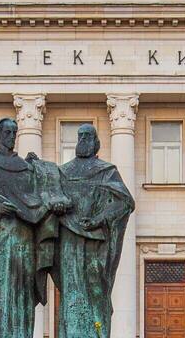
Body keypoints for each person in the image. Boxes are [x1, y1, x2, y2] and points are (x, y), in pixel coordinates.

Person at [0, 118, 69, 338]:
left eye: (14, 132)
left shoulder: (26, 168)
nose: (11, 136)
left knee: (23, 296)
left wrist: (39, 168)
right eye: (7, 132)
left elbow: (42, 192)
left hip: (24, 242)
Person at [53, 124, 135, 338]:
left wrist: (99, 219)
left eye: (88, 136)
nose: (83, 140)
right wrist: (58, 205)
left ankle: (96, 333)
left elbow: (125, 202)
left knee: (97, 290)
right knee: (71, 291)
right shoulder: (63, 172)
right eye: (80, 136)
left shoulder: (106, 171)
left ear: (96, 142)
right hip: (69, 239)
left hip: (96, 242)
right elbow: (50, 198)